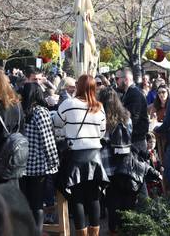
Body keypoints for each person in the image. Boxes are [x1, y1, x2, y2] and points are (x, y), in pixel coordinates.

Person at [98, 88, 161, 234]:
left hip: (107, 164)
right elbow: (130, 136)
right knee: (127, 196)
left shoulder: (100, 118)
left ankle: (113, 229)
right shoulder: (126, 117)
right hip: (125, 163)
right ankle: (128, 226)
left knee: (112, 198)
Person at [53, 74, 108, 236]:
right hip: (94, 156)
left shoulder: (68, 104)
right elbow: (102, 132)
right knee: (94, 197)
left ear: (78, 86)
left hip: (75, 155)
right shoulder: (99, 107)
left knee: (77, 198)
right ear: (93, 88)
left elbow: (56, 122)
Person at [19, 83, 59, 233]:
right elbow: (48, 141)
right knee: (37, 205)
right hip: (36, 165)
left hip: (19, 164)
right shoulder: (41, 112)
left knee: (23, 203)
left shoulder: (18, 110)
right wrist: (54, 162)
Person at [118, 68, 149, 154]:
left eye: (118, 78)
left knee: (138, 165)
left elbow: (132, 118)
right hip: (134, 138)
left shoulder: (134, 94)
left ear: (125, 79)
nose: (116, 81)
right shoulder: (129, 92)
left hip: (137, 140)